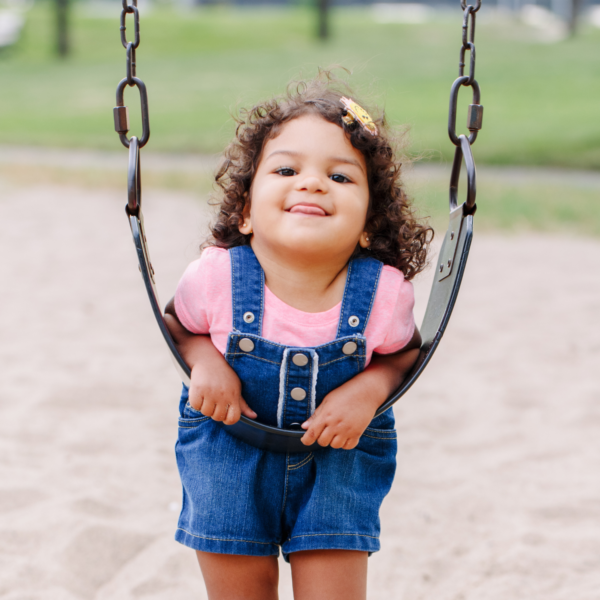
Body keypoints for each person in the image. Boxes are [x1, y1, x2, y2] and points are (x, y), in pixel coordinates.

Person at [164, 72, 432, 600]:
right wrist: (207, 362)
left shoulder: (382, 293)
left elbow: (403, 357)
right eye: (287, 169)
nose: (311, 183)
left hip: (339, 461)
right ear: (244, 210)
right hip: (227, 455)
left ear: (368, 226)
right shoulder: (215, 277)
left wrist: (368, 389)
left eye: (340, 177)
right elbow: (177, 327)